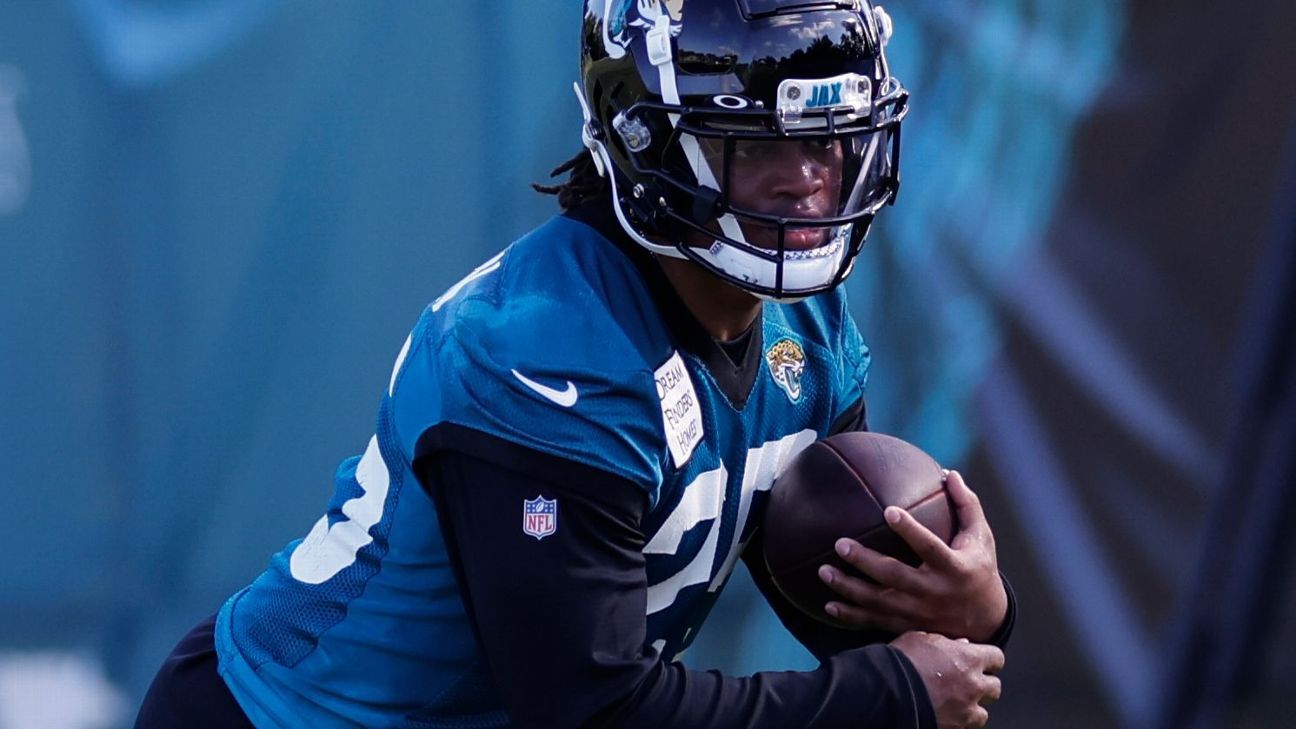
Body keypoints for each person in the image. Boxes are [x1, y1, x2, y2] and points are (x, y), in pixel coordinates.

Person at [137, 1, 1015, 727]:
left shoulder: (809, 329)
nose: (808, 182)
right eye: (760, 147)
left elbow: (840, 611)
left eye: (826, 139)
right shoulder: (544, 353)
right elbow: (591, 708)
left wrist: (964, 610)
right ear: (651, 142)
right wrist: (890, 696)